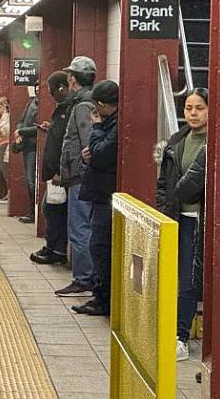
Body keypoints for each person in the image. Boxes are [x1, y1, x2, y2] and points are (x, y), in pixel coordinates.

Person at [155, 88, 209, 361]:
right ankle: (175, 332)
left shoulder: (213, 142)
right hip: (179, 220)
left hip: (202, 221)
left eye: (199, 107)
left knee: (189, 281)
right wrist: (164, 210)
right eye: (189, 108)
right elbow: (163, 184)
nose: (193, 113)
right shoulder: (177, 141)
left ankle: (181, 336)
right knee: (180, 279)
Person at [71, 80, 119, 316]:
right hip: (100, 194)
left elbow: (101, 155)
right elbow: (94, 154)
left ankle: (103, 299)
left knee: (99, 247)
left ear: (100, 105)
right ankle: (100, 296)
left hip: (106, 196)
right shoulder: (111, 124)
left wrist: (96, 129)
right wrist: (86, 155)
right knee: (98, 245)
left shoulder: (112, 126)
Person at [55, 56, 97, 297]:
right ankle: (86, 277)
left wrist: (74, 171)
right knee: (82, 226)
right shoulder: (86, 102)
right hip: (81, 177)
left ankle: (83, 279)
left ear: (72, 79)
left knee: (79, 227)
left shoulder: (82, 105)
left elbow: (86, 143)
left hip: (80, 178)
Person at [31, 71, 73, 265]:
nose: (51, 95)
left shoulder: (71, 108)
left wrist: (59, 171)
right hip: (58, 170)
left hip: (61, 172)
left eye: (52, 91)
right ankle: (55, 248)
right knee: (53, 209)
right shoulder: (63, 108)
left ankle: (54, 249)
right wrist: (51, 127)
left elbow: (68, 142)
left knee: (52, 209)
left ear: (61, 88)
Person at [15, 86, 40, 222]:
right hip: (26, 145)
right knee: (28, 179)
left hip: (34, 146)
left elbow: (39, 127)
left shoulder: (41, 105)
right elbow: (22, 119)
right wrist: (19, 130)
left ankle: (33, 212)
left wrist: (22, 131)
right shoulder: (31, 103)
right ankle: (31, 211)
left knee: (31, 180)